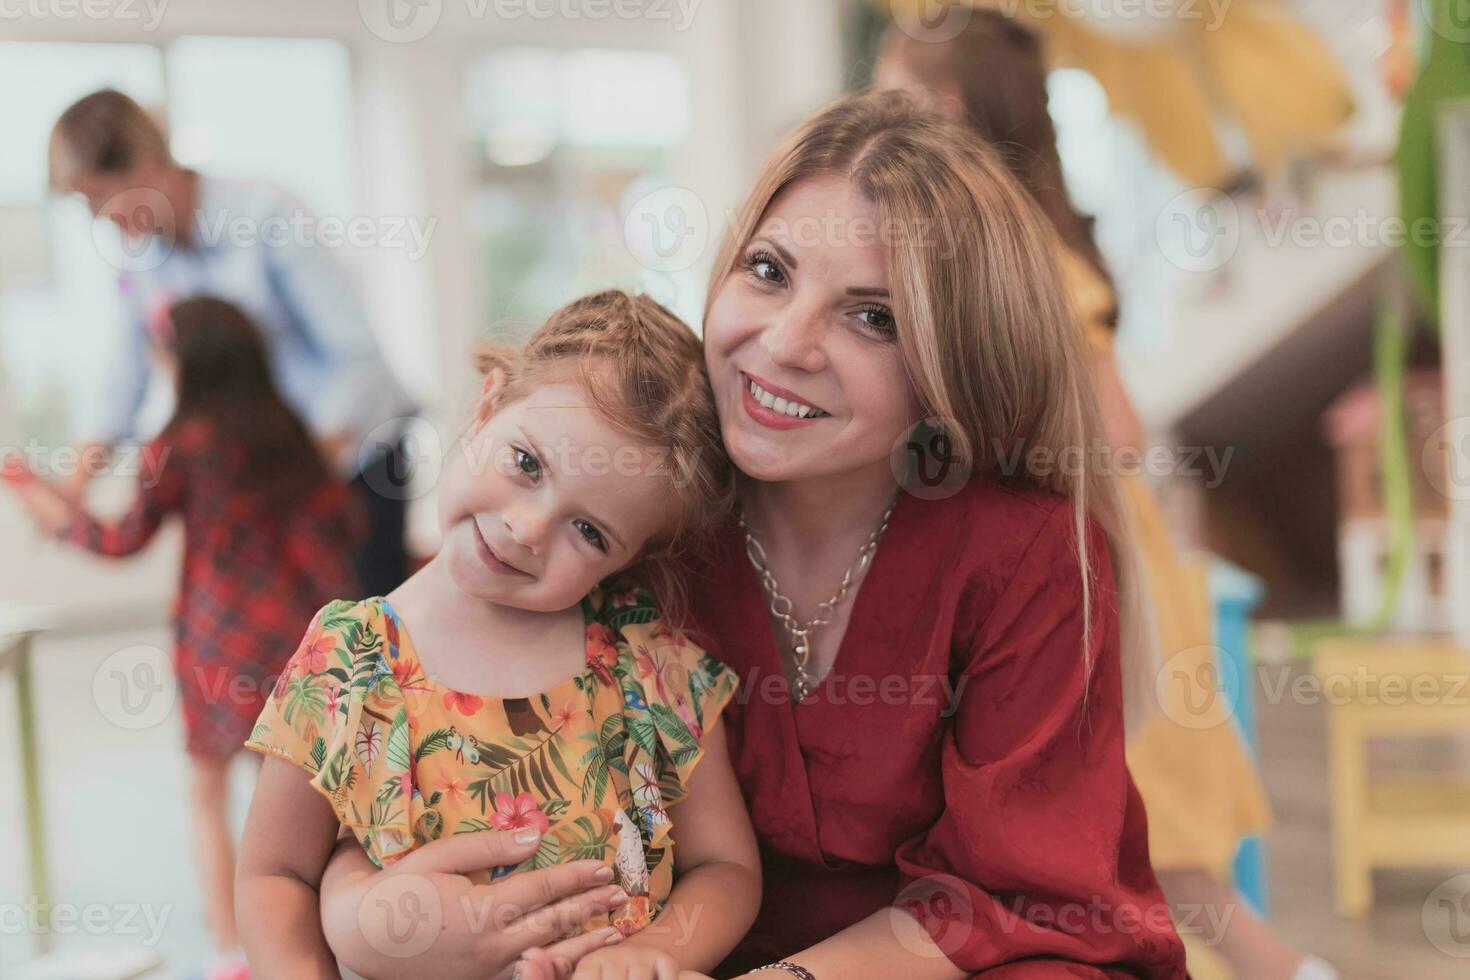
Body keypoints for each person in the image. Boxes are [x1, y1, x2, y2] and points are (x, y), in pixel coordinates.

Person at [315, 91, 1189, 979]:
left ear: (950, 368)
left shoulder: (1025, 553)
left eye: (873, 317)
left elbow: (1010, 899)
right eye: (769, 271)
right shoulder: (634, 512)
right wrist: (362, 910)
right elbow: (408, 751)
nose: (785, 342)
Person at [873, 13, 1338, 980]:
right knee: (1162, 863)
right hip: (1108, 574)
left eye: (897, 98)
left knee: (1166, 856)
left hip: (1106, 586)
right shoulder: (1009, 237)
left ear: (949, 109)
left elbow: (1116, 431)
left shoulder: (1021, 252)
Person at [236, 290, 762, 980]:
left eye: (590, 531)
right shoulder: (348, 660)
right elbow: (274, 876)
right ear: (488, 407)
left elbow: (724, 868)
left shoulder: (648, 665)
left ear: (630, 556)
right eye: (527, 464)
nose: (528, 529)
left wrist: (652, 956)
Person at [2, 296, 363, 980]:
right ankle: (299, 949)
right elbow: (342, 525)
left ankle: (232, 953)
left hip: (218, 641)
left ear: (184, 361)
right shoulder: (288, 431)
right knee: (288, 798)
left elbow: (120, 541)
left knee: (206, 792)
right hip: (297, 636)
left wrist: (39, 501)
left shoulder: (180, 444)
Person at [48, 89, 416, 597]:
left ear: (150, 166)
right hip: (267, 477)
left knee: (361, 640)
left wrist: (296, 463)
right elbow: (123, 379)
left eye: (99, 196)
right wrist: (74, 484)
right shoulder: (139, 261)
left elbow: (355, 356)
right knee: (289, 646)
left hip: (352, 454)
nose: (98, 218)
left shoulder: (265, 214)